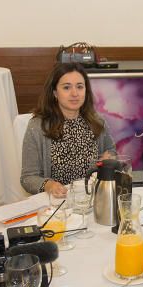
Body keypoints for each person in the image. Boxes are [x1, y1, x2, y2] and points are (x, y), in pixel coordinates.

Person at [21, 62, 116, 196]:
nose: (74, 93)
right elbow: (28, 178)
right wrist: (49, 185)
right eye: (66, 87)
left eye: (80, 87)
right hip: (58, 204)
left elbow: (111, 151)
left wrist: (109, 158)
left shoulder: (98, 122)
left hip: (92, 198)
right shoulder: (37, 127)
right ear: (55, 92)